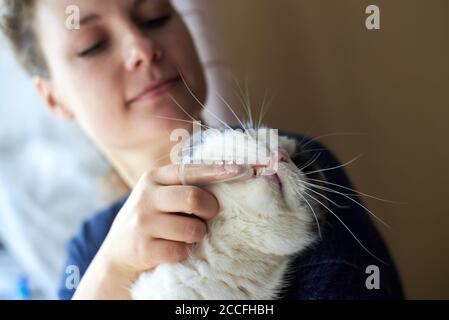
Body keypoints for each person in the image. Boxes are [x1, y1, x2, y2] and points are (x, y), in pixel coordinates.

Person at [1, 0, 403, 300]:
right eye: (92, 44)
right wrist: (111, 270)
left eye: (155, 16)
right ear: (53, 99)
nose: (142, 47)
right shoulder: (89, 251)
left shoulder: (295, 169)